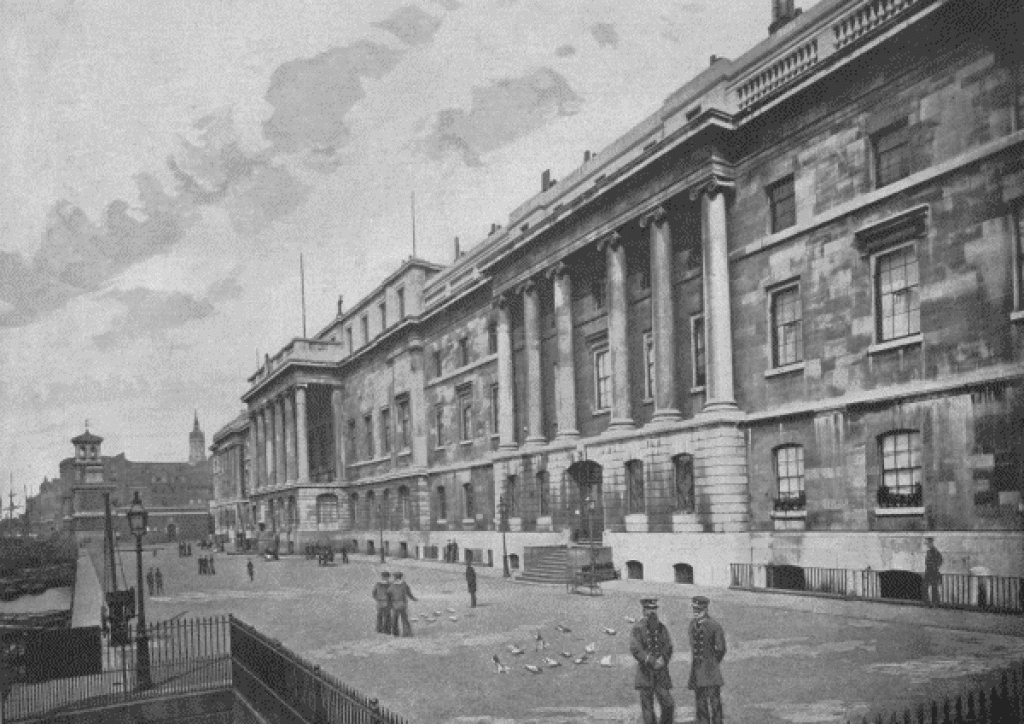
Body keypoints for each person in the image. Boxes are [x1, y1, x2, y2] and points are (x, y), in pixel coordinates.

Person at [629, 598, 674, 724]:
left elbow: (668, 646)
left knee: (668, 703)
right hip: (645, 672)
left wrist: (664, 659)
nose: (652, 612)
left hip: (661, 672)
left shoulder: (662, 627)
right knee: (647, 707)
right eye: (649, 609)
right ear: (644, 611)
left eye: (654, 609)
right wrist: (651, 660)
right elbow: (635, 649)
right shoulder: (637, 628)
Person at [688, 595, 726, 724]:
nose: (696, 613)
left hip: (710, 670)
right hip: (697, 670)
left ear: (706, 610)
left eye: (699, 611)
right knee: (700, 701)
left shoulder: (714, 626)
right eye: (694, 610)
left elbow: (721, 649)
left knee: (714, 701)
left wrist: (712, 662)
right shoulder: (692, 625)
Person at [389, 572, 418, 637]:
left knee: (395, 619)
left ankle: (395, 633)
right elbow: (409, 593)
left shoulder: (391, 585)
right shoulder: (404, 584)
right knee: (404, 619)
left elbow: (388, 594)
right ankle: (407, 633)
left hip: (394, 604)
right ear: (401, 577)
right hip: (402, 604)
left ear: (394, 577)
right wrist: (414, 599)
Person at [923, 537, 943, 607]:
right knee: (925, 587)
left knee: (934, 588)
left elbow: (940, 561)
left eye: (927, 543)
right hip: (928, 571)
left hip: (933, 572)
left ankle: (935, 603)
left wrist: (935, 567)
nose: (926, 545)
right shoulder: (929, 552)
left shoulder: (935, 552)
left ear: (931, 543)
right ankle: (929, 603)